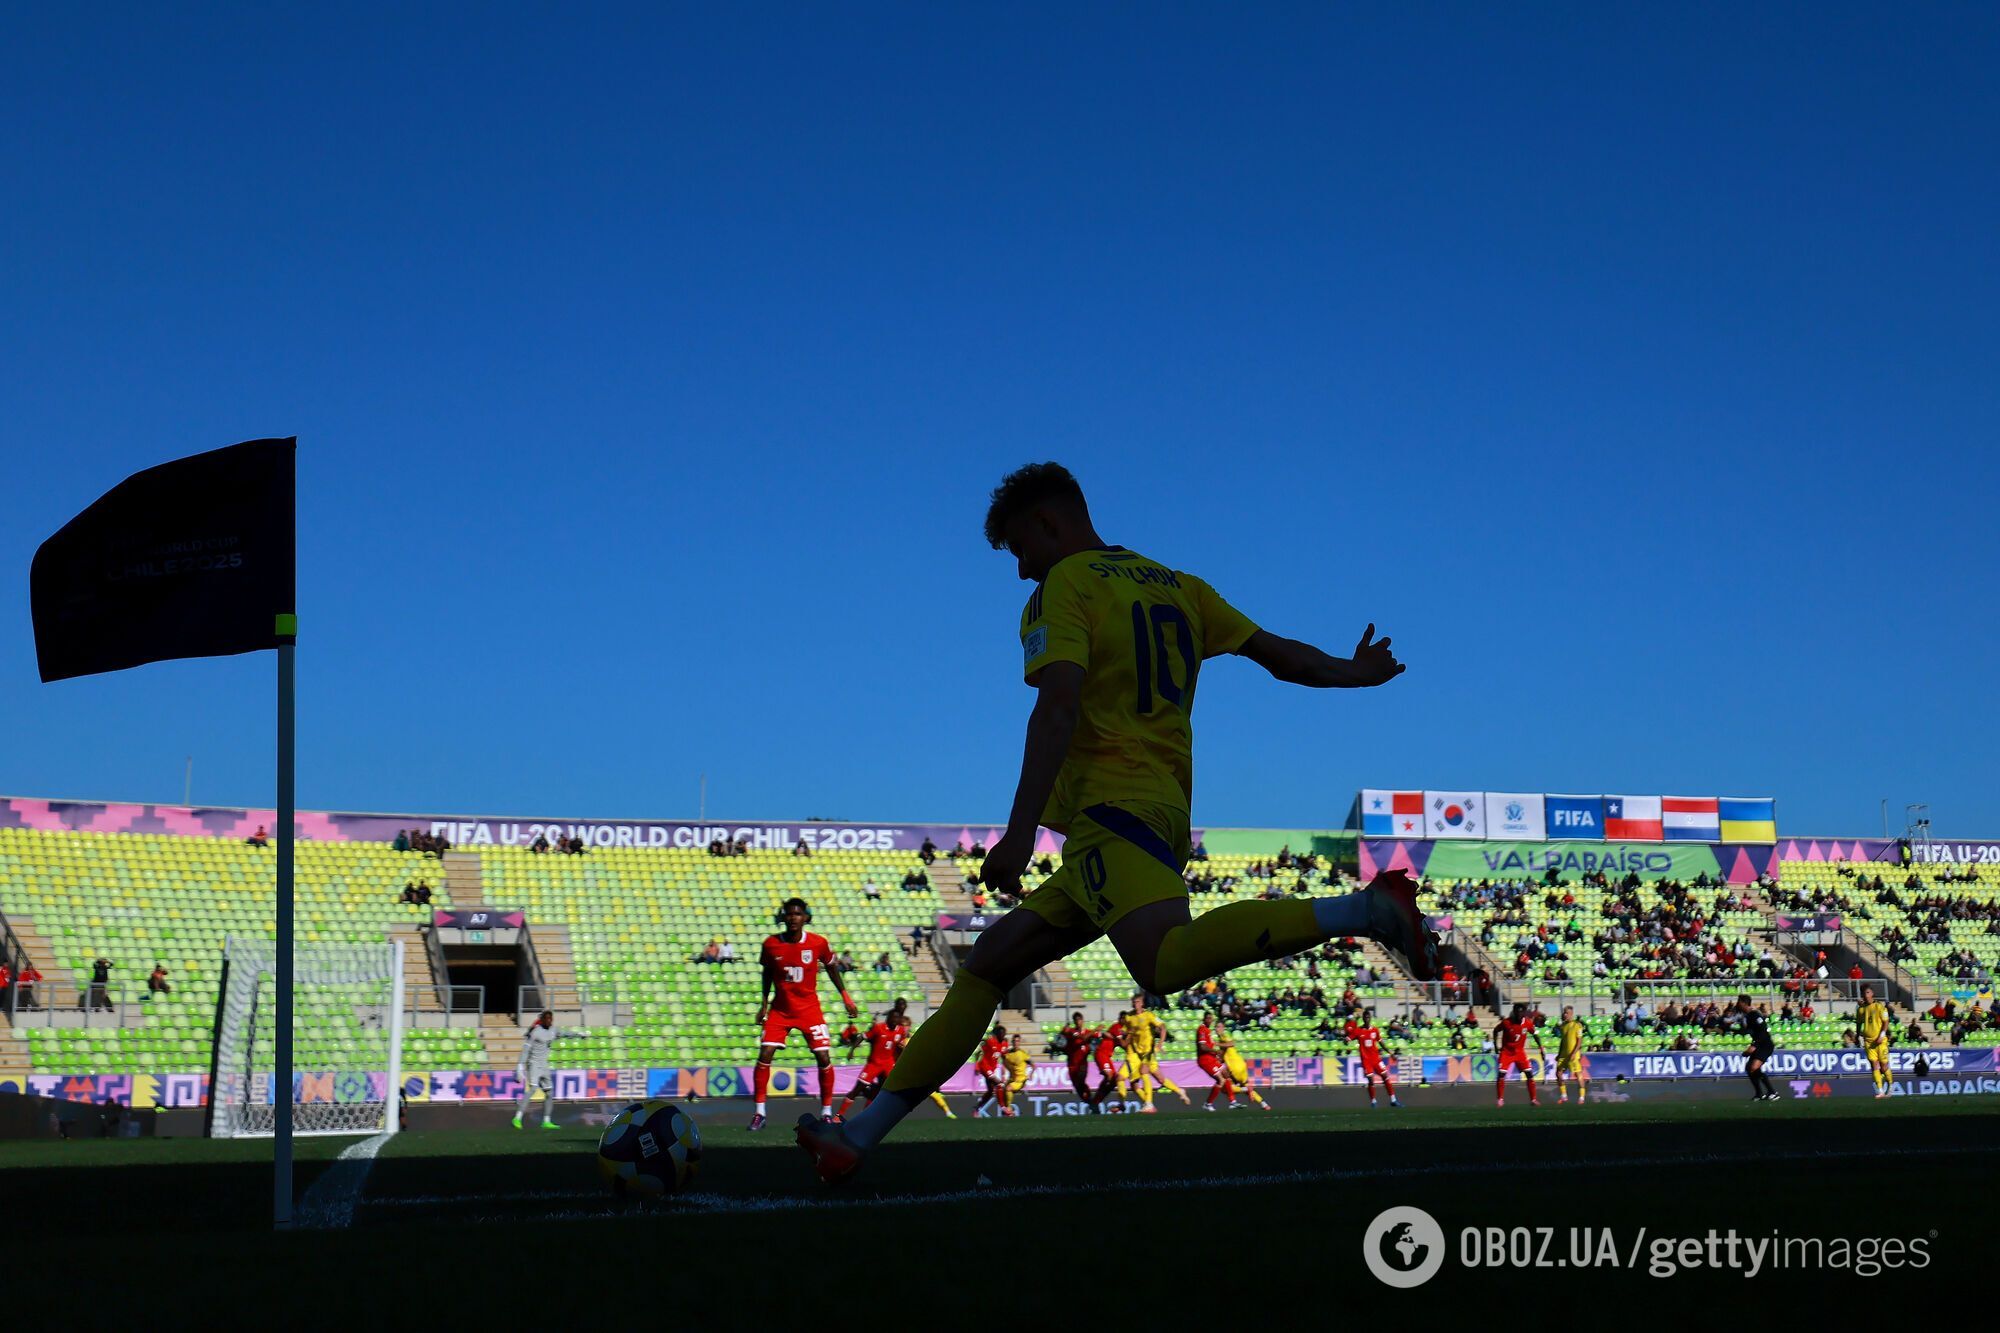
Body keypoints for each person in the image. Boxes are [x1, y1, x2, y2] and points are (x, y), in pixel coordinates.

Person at [798, 463, 1421, 1181]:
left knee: (1163, 961)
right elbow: (1279, 657)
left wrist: (1020, 830)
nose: (1021, 570)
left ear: (1050, 523)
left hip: (1107, 812)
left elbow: (1057, 704)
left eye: (1019, 549)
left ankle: (1366, 908)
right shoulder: (1182, 586)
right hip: (1157, 810)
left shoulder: (1063, 586)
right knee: (988, 964)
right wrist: (1354, 671)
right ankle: (860, 1134)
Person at [748, 898, 859, 1131]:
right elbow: (767, 973)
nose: (793, 918)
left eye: (797, 914)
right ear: (784, 917)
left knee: (824, 1058)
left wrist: (846, 997)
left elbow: (831, 967)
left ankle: (827, 1113)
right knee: (765, 1053)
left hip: (809, 1010)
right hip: (780, 1009)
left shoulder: (818, 943)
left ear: (805, 917)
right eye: (789, 914)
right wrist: (764, 1005)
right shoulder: (770, 944)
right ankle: (759, 1113)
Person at [513, 1010, 586, 1129]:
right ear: (542, 1020)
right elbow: (526, 1049)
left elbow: (565, 1033)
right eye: (546, 1019)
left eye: (550, 1019)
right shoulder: (535, 1032)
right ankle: (517, 1118)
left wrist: (579, 1034)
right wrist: (520, 1066)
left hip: (544, 1065)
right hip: (534, 1064)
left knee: (549, 1093)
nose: (549, 1021)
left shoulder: (553, 1030)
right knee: (533, 1089)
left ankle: (546, 1121)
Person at [1122, 993, 1189, 1111]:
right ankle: (1179, 1091)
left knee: (1144, 1071)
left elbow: (1162, 1026)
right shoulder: (1129, 1017)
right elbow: (1126, 1032)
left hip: (1148, 1051)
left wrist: (1160, 1043)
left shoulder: (1148, 1015)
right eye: (1133, 1002)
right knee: (1160, 1079)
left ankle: (1149, 1103)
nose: (1135, 1004)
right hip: (1137, 1053)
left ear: (1142, 1003)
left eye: (1137, 1002)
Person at [1345, 1007, 1399, 1108]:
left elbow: (1381, 1043)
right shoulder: (1358, 1031)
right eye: (1365, 1017)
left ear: (1370, 1018)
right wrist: (1346, 1040)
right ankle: (1373, 1101)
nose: (1367, 1019)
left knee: (1385, 1076)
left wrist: (1391, 1053)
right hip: (1366, 1060)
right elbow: (1348, 1038)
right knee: (1370, 1080)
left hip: (1376, 1059)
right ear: (1363, 1019)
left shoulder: (1375, 1030)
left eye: (1368, 1017)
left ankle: (1393, 1100)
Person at [1494, 1004, 1545, 1107]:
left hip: (1519, 1052)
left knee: (1530, 1075)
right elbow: (1495, 1030)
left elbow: (1535, 1035)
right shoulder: (1507, 1022)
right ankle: (1500, 1099)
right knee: (1501, 1075)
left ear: (1524, 1014)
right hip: (1506, 1052)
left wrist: (1541, 1048)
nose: (1519, 1015)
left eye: (1521, 1013)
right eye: (1517, 1013)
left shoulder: (1527, 1023)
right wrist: (1495, 1045)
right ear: (1514, 1012)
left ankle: (1533, 1099)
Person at [1217, 1024, 1270, 1110]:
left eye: (1219, 1027)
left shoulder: (1224, 1036)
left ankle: (1245, 1089)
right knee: (1246, 1085)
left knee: (1225, 1089)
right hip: (1241, 1064)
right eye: (1216, 1027)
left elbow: (1231, 1043)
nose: (1217, 1029)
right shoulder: (1223, 1039)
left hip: (1235, 1067)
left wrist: (1216, 1043)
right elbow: (1226, 1052)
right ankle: (1264, 1104)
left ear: (1223, 1028)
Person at [1738, 994, 1780, 1102]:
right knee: (1749, 1069)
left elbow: (1762, 1031)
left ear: (1743, 1003)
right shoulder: (1747, 1016)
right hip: (1759, 1044)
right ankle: (1759, 1094)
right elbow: (1751, 1031)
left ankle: (1773, 1092)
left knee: (1753, 1068)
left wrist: (1754, 1045)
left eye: (1739, 1002)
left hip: (1765, 1045)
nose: (1737, 1004)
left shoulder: (1754, 1014)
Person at [1858, 984, 1893, 1099]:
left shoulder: (1879, 1006)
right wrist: (1858, 1035)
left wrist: (1882, 1035)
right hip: (1869, 1042)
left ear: (1872, 994)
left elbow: (1886, 1022)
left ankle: (1891, 1085)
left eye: (1868, 992)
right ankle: (1880, 1091)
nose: (1865, 995)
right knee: (1874, 1065)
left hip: (1880, 1041)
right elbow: (1859, 1023)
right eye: (1864, 993)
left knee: (1883, 1066)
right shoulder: (1861, 1009)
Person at [1195, 1011, 1232, 1110]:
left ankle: (1233, 1101)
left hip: (1211, 1058)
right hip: (1205, 1060)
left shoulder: (1207, 1030)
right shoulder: (1202, 1029)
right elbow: (1202, 1047)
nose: (1209, 1020)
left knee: (1226, 1075)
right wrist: (1215, 1051)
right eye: (1208, 1018)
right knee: (1220, 1079)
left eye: (1211, 1018)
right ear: (1204, 1019)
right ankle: (1208, 1104)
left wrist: (1216, 1054)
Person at [1058, 1011, 1098, 1103]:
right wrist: (1062, 1031)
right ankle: (1091, 1102)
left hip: (1082, 1063)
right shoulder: (1072, 1031)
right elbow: (1082, 1037)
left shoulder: (1088, 1032)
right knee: (1079, 1088)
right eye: (1076, 1020)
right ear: (1074, 1022)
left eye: (1080, 1020)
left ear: (1083, 1021)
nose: (1078, 1022)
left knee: (1081, 1078)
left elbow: (1100, 1036)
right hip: (1072, 1065)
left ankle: (1092, 1100)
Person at [1553, 1005, 1588, 1105]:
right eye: (1564, 1012)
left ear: (1571, 1014)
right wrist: (1559, 1054)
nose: (1564, 1014)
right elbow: (1563, 1041)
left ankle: (1582, 1097)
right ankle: (1564, 1096)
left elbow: (1579, 1042)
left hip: (1573, 1055)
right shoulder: (1563, 1026)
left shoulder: (1577, 1025)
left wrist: (1574, 1053)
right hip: (1564, 1054)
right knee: (1558, 1073)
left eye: (1566, 1013)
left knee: (1578, 1074)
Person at [971, 1025, 1008, 1118]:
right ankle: (1003, 1108)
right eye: (1001, 1034)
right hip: (984, 1066)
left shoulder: (1004, 1044)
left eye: (1004, 1034)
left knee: (991, 1091)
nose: (1002, 1036)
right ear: (997, 1034)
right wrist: (976, 1066)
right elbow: (978, 1053)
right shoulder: (990, 1041)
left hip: (992, 1069)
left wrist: (1004, 1072)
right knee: (1000, 1084)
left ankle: (977, 1108)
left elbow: (1004, 1058)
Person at [1000, 1035, 1033, 1116]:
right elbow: (1004, 1062)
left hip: (1021, 1080)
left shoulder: (1023, 1054)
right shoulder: (1009, 1053)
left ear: (1020, 1042)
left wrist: (1030, 1074)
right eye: (1014, 1041)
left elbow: (1033, 1065)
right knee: (1001, 1090)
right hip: (1011, 1079)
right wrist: (1003, 1074)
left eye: (1017, 1041)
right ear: (1012, 1042)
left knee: (1008, 1088)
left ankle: (1008, 1109)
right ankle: (1010, 1113)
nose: (1016, 1043)